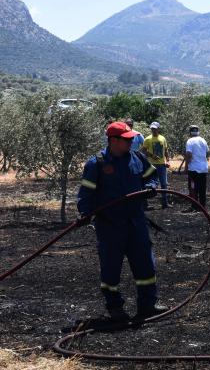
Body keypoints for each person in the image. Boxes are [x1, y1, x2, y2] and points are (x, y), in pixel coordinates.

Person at [77, 121, 168, 322]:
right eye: (126, 139)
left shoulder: (137, 157)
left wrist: (151, 186)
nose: (131, 142)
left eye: (131, 138)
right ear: (113, 141)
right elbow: (86, 193)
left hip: (136, 223)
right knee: (111, 267)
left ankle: (147, 305)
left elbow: (150, 175)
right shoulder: (97, 164)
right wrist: (84, 212)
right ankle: (115, 308)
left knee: (145, 265)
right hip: (110, 226)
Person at [141, 122, 171, 209]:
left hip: (161, 164)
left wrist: (168, 160)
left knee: (164, 184)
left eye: (155, 128)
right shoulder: (147, 139)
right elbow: (143, 150)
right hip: (151, 165)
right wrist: (151, 155)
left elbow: (166, 150)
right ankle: (146, 204)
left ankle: (164, 203)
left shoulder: (162, 138)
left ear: (158, 129)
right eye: (152, 128)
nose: (153, 130)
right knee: (148, 183)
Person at [184, 125, 209, 210]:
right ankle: (202, 206)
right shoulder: (203, 140)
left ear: (190, 132)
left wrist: (186, 167)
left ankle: (194, 206)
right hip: (204, 168)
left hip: (193, 169)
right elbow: (207, 152)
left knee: (193, 188)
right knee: (202, 188)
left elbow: (189, 154)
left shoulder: (190, 141)